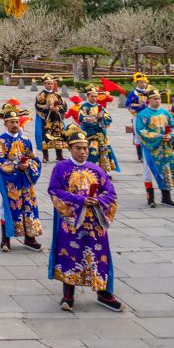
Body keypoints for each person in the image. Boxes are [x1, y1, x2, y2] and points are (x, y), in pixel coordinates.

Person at [46, 127, 123, 313]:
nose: (83, 152)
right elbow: (54, 190)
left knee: (100, 255)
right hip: (73, 222)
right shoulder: (61, 168)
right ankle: (68, 294)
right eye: (78, 148)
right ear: (70, 148)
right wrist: (79, 200)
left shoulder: (96, 169)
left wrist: (98, 201)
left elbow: (110, 192)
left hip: (94, 222)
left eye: (85, 148)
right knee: (70, 254)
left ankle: (103, 292)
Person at [0, 100, 42, 252]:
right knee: (7, 208)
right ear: (5, 123)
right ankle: (5, 239)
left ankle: (30, 238)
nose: (15, 124)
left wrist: (29, 164)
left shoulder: (25, 140)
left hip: (25, 180)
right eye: (12, 122)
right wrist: (16, 166)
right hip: (9, 181)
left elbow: (34, 159)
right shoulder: (0, 142)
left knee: (29, 206)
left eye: (17, 121)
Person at [135, 89, 174, 209]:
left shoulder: (165, 113)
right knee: (149, 171)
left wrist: (170, 136)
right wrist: (159, 137)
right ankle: (150, 198)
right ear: (148, 100)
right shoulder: (143, 114)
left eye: (159, 98)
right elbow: (141, 131)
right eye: (155, 99)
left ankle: (166, 198)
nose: (158, 101)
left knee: (166, 169)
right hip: (151, 148)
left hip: (165, 148)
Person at [76, 86, 118, 174]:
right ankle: (91, 171)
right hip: (90, 133)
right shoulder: (84, 107)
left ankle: (103, 172)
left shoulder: (100, 106)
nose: (94, 98)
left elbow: (109, 117)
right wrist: (96, 117)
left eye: (96, 96)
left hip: (101, 133)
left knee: (104, 151)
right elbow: (83, 119)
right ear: (87, 96)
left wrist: (102, 117)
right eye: (92, 96)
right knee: (92, 152)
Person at [32, 75, 65, 160]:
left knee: (58, 136)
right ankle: (45, 157)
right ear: (44, 84)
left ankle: (59, 156)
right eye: (48, 83)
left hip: (56, 119)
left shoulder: (57, 95)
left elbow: (63, 105)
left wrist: (59, 108)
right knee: (45, 137)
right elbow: (38, 106)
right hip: (46, 119)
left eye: (52, 83)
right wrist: (48, 108)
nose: (50, 85)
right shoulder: (41, 95)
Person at [123, 72, 150, 162]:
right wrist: (138, 105)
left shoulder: (148, 92)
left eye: (144, 82)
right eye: (141, 82)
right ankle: (140, 155)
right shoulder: (133, 93)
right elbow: (128, 104)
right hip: (138, 115)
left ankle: (148, 153)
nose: (143, 84)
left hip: (148, 116)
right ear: (137, 83)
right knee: (138, 133)